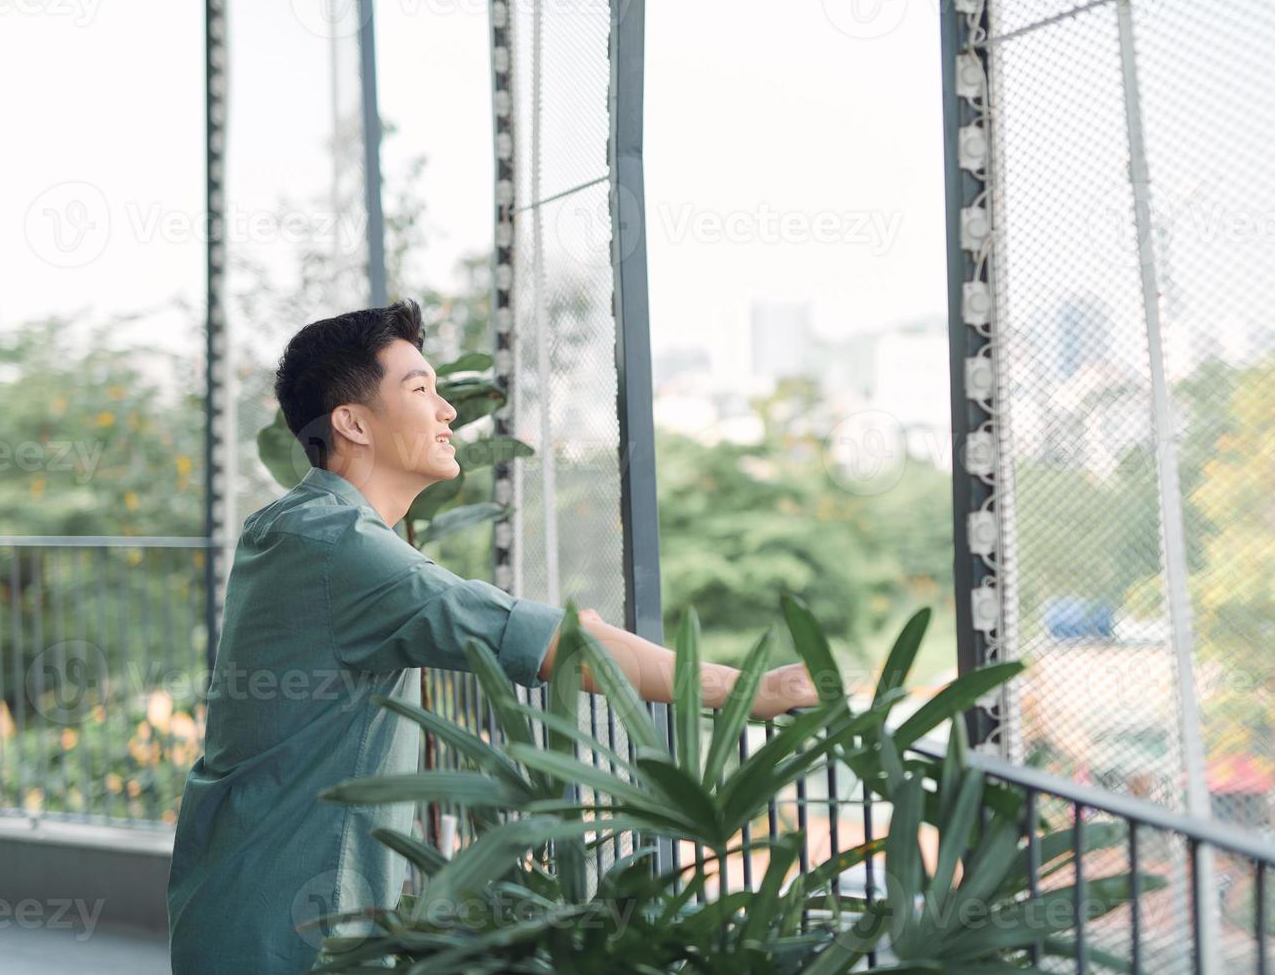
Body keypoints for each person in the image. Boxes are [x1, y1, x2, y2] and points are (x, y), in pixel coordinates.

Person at [166, 299, 818, 973]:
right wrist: (752, 692)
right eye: (420, 390)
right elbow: (549, 644)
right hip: (291, 926)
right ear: (352, 422)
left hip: (244, 900)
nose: (447, 411)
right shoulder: (340, 547)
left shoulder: (295, 525)